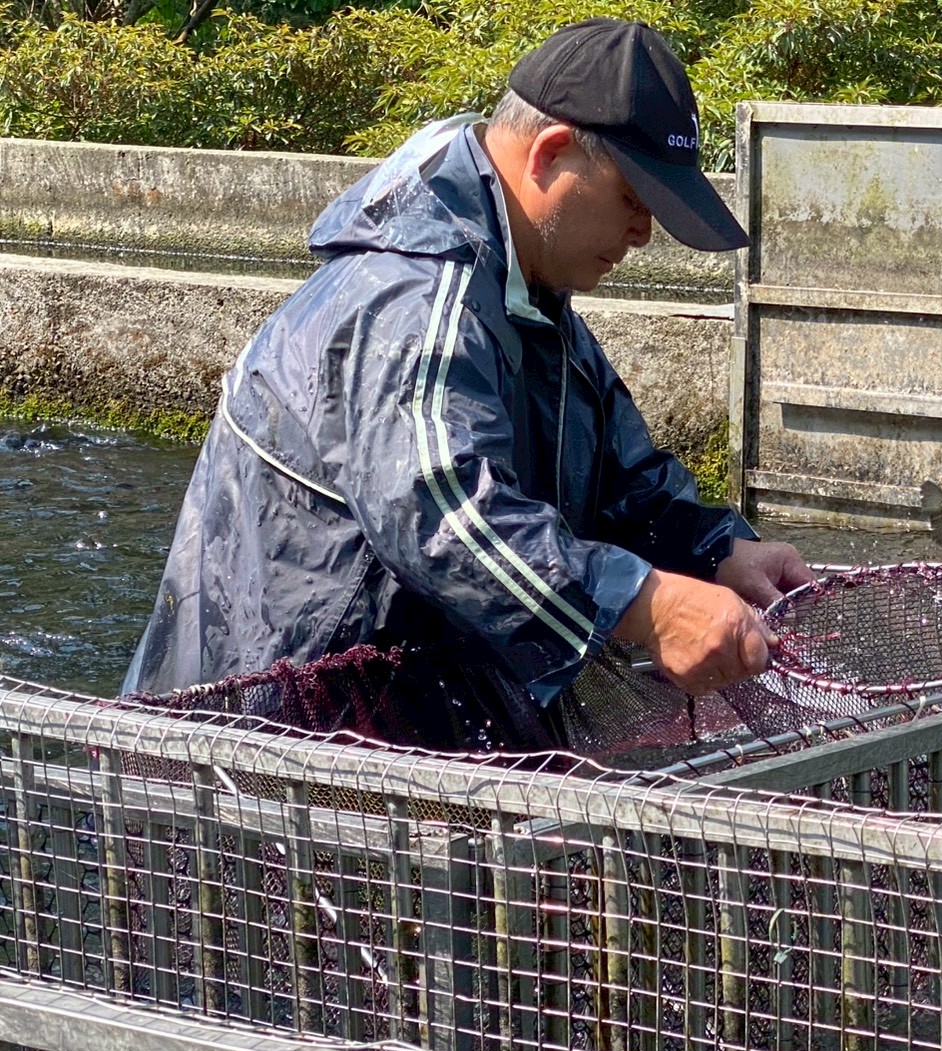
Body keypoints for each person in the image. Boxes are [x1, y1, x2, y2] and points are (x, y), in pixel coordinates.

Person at [122, 18, 813, 751]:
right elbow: (441, 513)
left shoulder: (529, 298)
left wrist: (711, 553)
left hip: (408, 728)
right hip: (272, 746)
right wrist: (646, 603)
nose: (645, 233)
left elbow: (621, 476)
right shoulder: (414, 296)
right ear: (550, 155)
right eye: (635, 200)